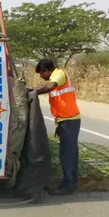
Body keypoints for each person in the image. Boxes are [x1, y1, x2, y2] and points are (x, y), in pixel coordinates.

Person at [33, 58, 81, 195]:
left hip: (70, 119)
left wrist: (33, 92)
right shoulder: (55, 76)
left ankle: (69, 184)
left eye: (41, 73)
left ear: (46, 71)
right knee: (68, 152)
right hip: (65, 120)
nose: (41, 76)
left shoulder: (59, 74)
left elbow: (50, 87)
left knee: (68, 153)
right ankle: (69, 181)